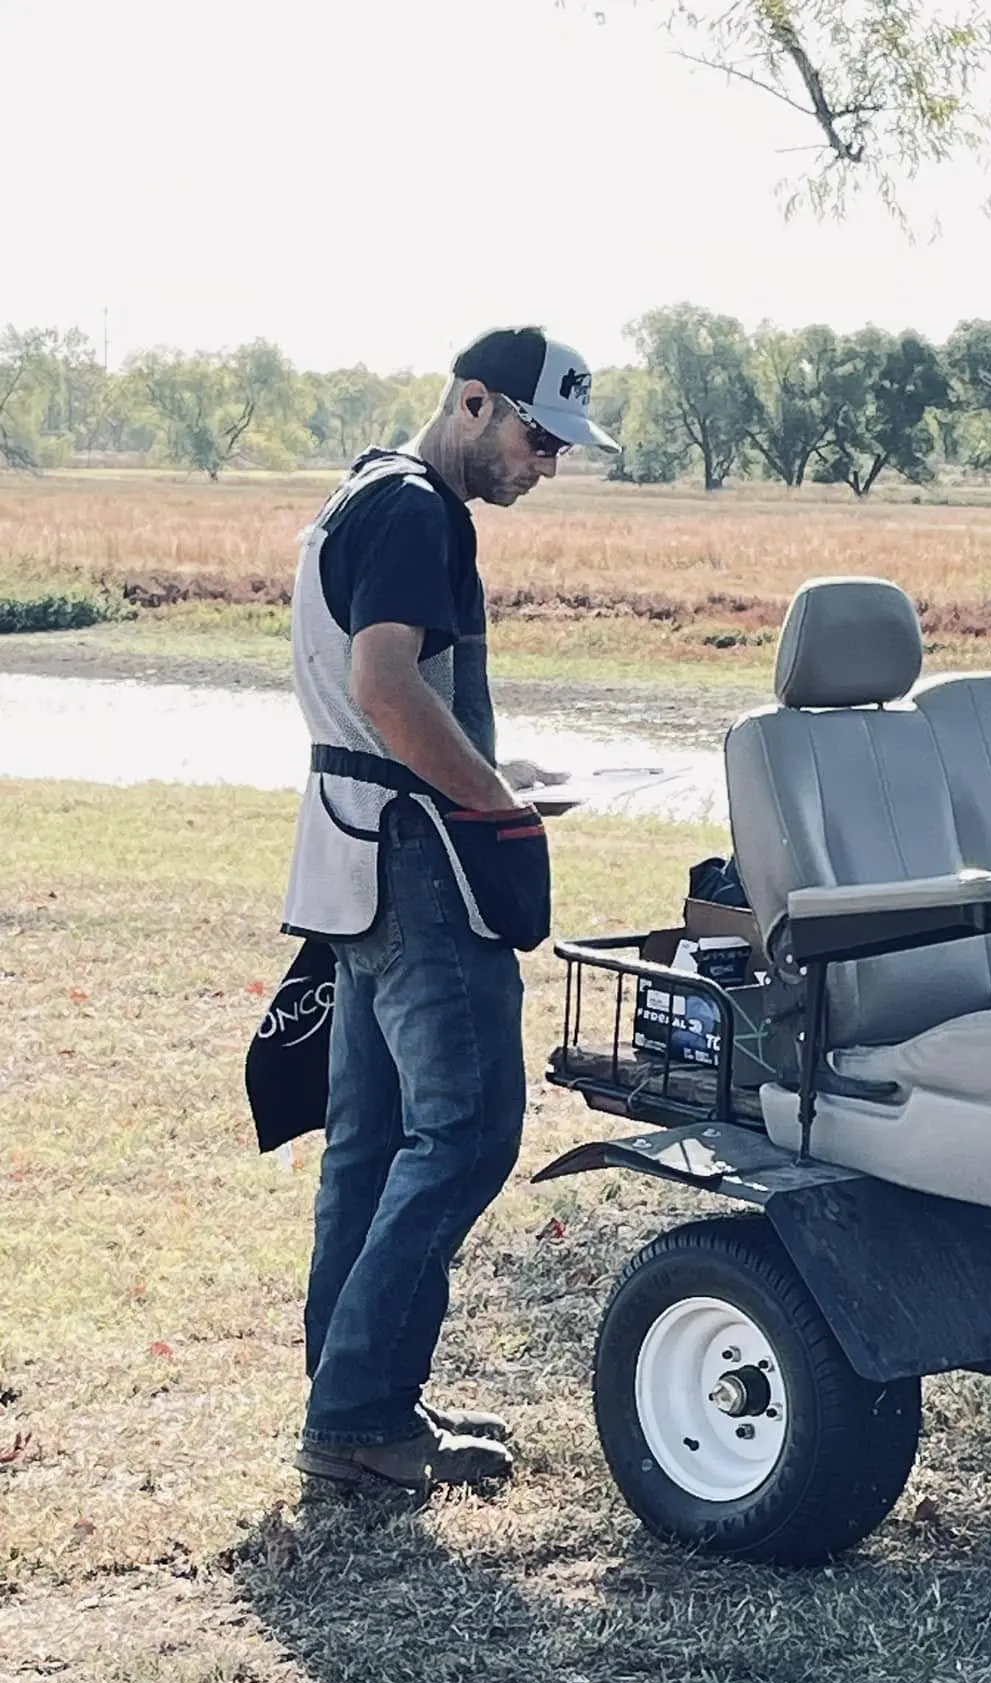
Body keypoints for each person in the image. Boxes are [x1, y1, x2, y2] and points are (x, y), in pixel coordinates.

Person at [279, 327, 619, 1498]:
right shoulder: (423, 512)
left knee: (374, 1147)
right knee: (467, 1131)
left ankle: (357, 1396)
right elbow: (385, 686)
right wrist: (499, 807)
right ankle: (359, 1410)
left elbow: (383, 696)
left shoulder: (367, 490)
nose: (547, 464)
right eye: (537, 435)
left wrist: (485, 770)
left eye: (561, 446)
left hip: (354, 855)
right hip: (420, 862)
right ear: (472, 403)